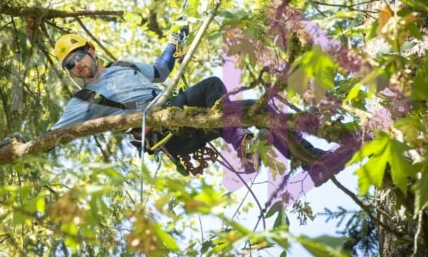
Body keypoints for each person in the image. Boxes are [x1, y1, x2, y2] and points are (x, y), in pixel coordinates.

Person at [47, 32, 330, 175]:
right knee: (211, 86)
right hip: (163, 133)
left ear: (91, 51)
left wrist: (173, 42)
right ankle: (243, 145)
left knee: (264, 110)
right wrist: (19, 146)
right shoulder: (84, 99)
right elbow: (54, 133)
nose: (77, 65)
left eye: (78, 56)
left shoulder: (123, 65)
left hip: (180, 111)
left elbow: (160, 71)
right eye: (70, 65)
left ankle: (312, 160)